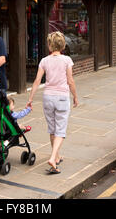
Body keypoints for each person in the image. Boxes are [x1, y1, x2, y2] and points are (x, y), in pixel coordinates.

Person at [27, 31, 78, 174]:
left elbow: (37, 81)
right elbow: (70, 81)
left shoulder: (44, 61)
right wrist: (75, 96)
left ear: (50, 46)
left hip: (48, 97)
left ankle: (56, 157)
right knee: (60, 131)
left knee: (52, 129)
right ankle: (52, 157)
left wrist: (30, 99)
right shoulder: (67, 60)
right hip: (62, 97)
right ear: (62, 46)